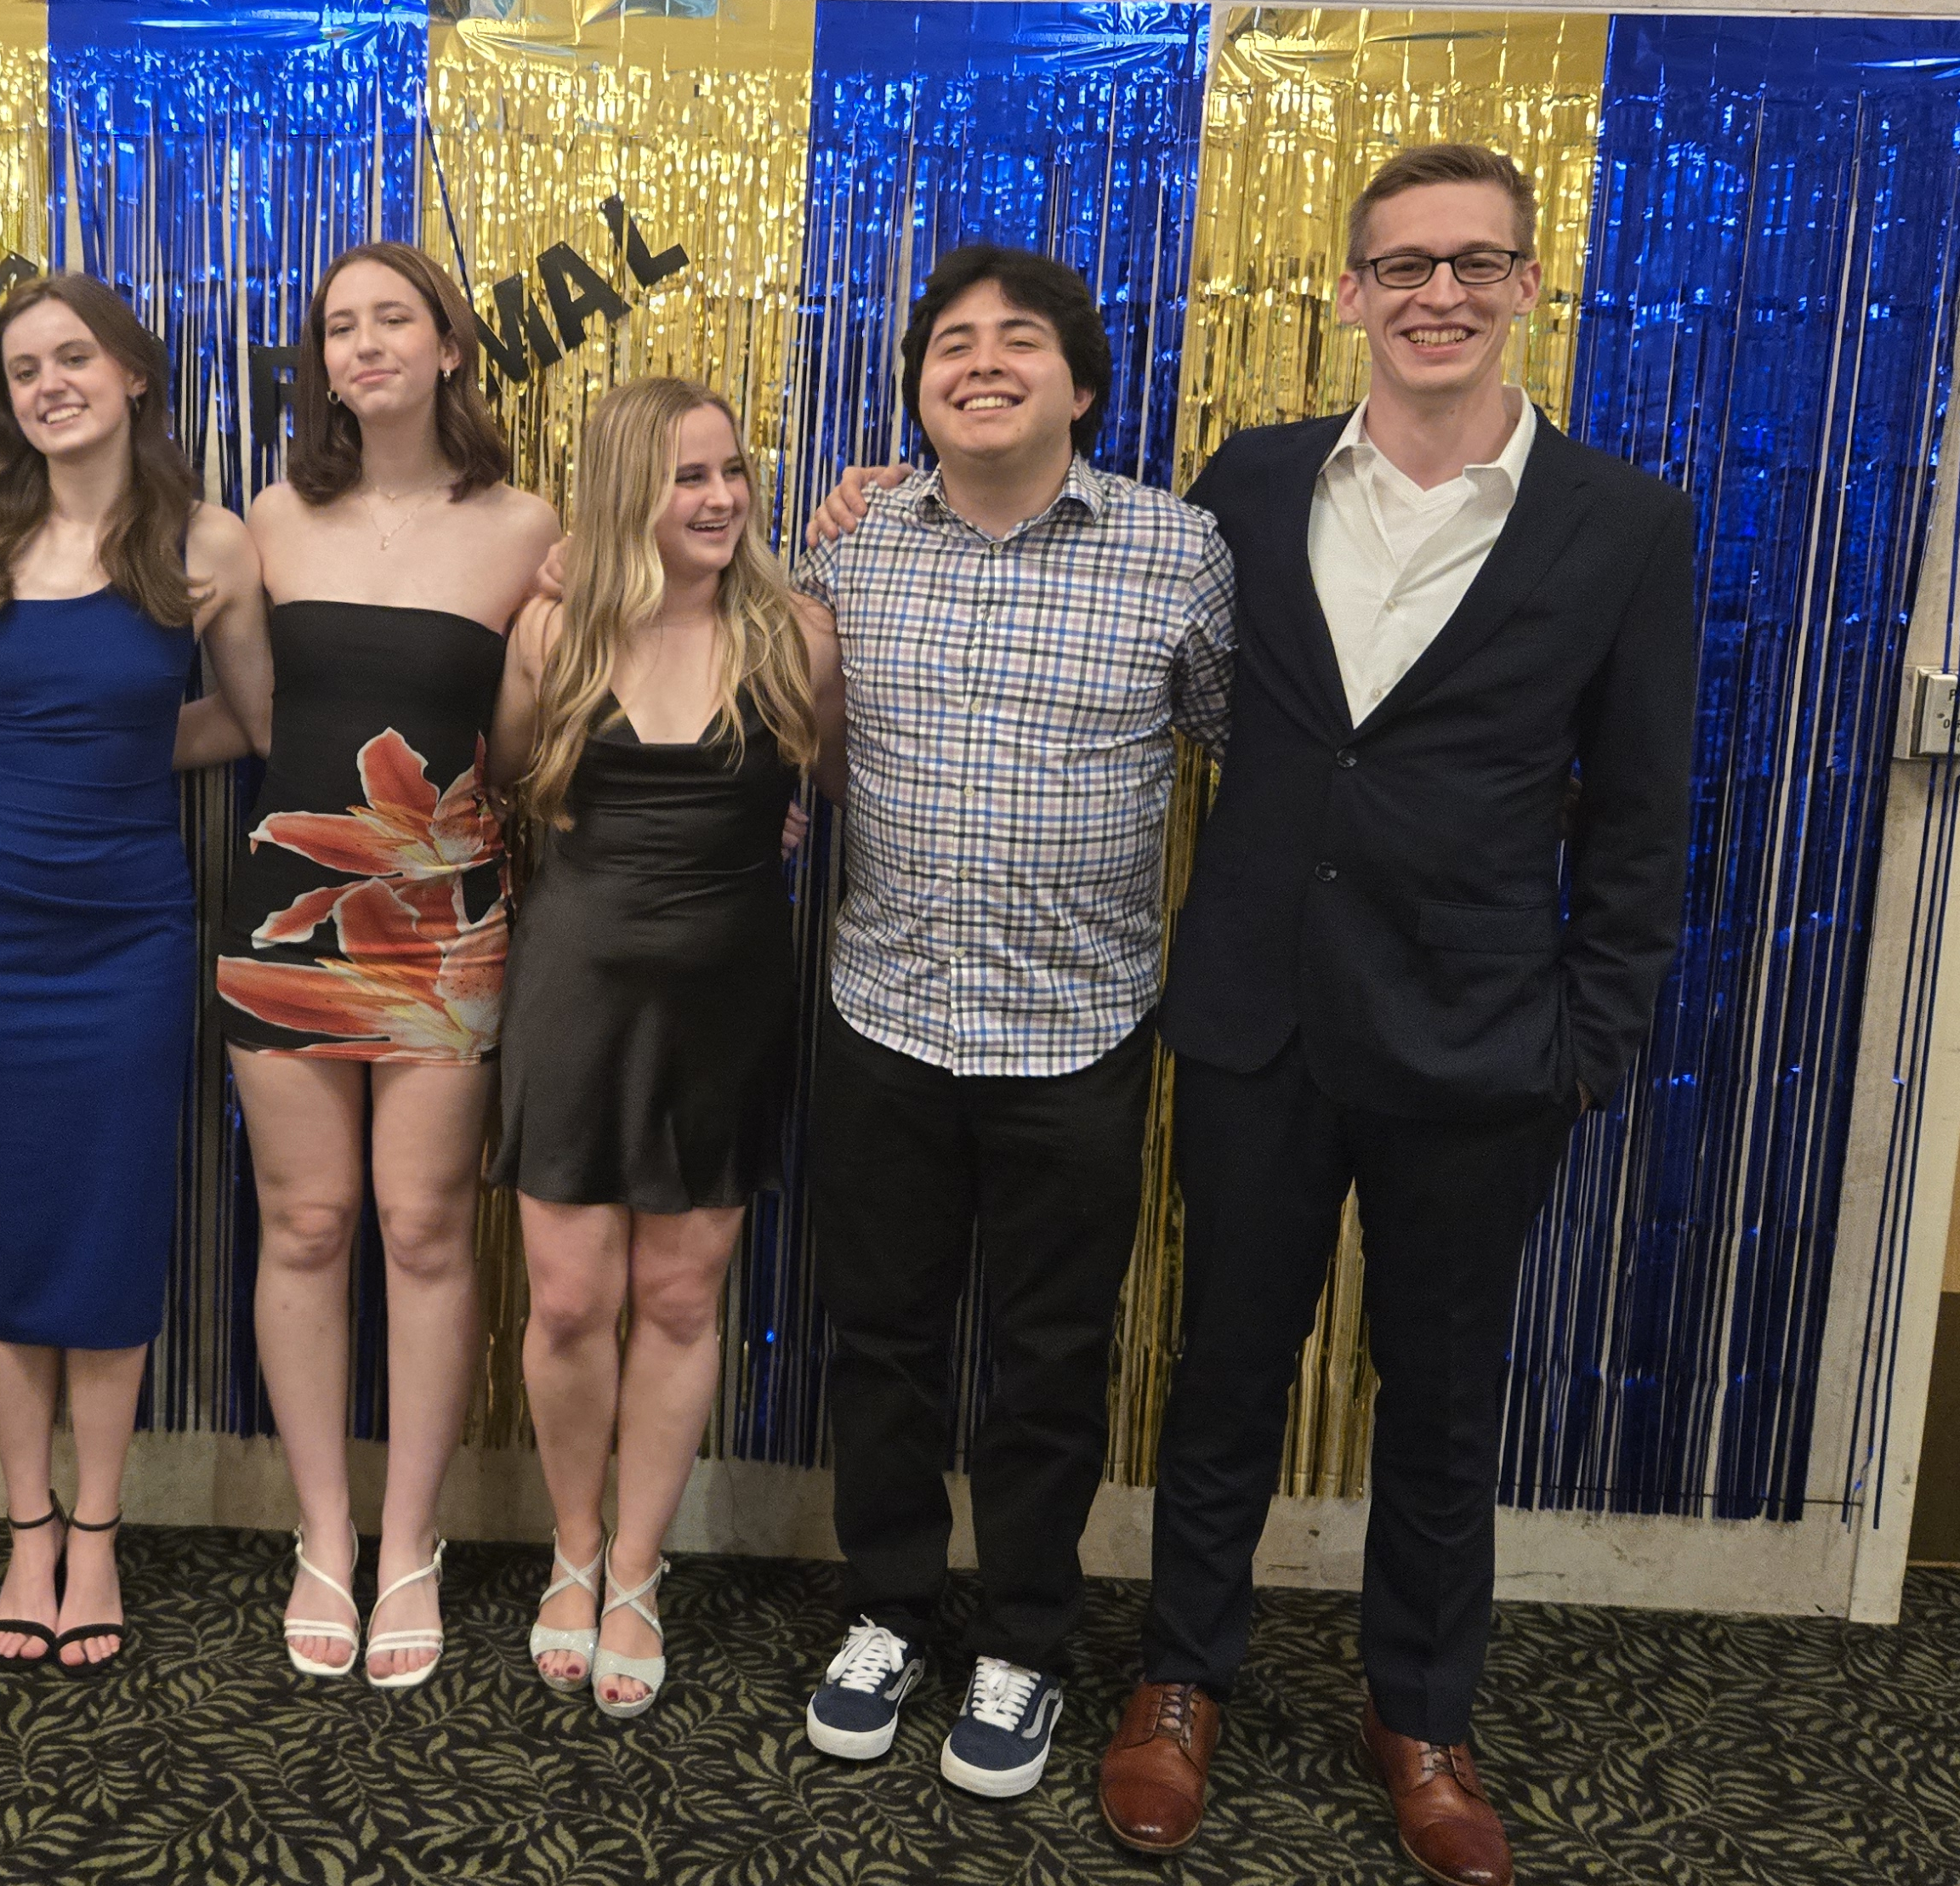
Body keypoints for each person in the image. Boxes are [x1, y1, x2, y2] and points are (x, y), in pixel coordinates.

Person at [1095, 146, 1696, 1886]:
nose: (1441, 293)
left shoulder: (1622, 522)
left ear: (1527, 287)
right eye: (1406, 265)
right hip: (1258, 1017)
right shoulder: (1248, 479)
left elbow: (1641, 813)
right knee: (1224, 1368)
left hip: (1482, 1041)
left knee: (1438, 1398)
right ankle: (1183, 1676)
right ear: (1352, 293)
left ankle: (1421, 1716)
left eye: (1475, 263)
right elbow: (1104, 582)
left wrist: (1587, 1043)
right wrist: (876, 503)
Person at [793, 245, 1236, 1798]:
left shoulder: (1177, 550)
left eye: (1018, 341)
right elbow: (800, 727)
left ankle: (1027, 1640)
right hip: (885, 1011)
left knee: (1050, 1355)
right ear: (918, 389)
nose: (980, 362)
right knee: (884, 1341)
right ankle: (888, 1610)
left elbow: (1240, 747)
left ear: (1082, 385)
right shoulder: (851, 545)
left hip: (1078, 1029)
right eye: (950, 344)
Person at [0, 272, 270, 1675]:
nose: (48, 384)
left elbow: (250, 723)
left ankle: (99, 1532)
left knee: (112, 1223)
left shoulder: (206, 542)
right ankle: (26, 1529)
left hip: (126, 925)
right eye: (22, 369)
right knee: (3, 1222)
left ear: (131, 375)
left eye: (72, 357)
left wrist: (108, 751)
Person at [213, 241, 558, 1689]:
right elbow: (256, 718)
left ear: (449, 345)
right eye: (340, 326)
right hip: (288, 906)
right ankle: (322, 1531)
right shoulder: (270, 517)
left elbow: (537, 738)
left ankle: (409, 1537)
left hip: (447, 914)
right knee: (304, 1224)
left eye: (392, 319)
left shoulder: (528, 525)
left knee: (422, 1229)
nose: (364, 344)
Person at [491, 377, 838, 1719]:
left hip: (726, 1001)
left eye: (731, 470)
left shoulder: (794, 634)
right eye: (687, 474)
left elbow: (837, 784)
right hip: (574, 992)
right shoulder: (552, 629)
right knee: (571, 1300)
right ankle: (572, 1547)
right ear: (627, 489)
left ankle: (638, 1565)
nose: (719, 497)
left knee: (685, 1301)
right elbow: (511, 779)